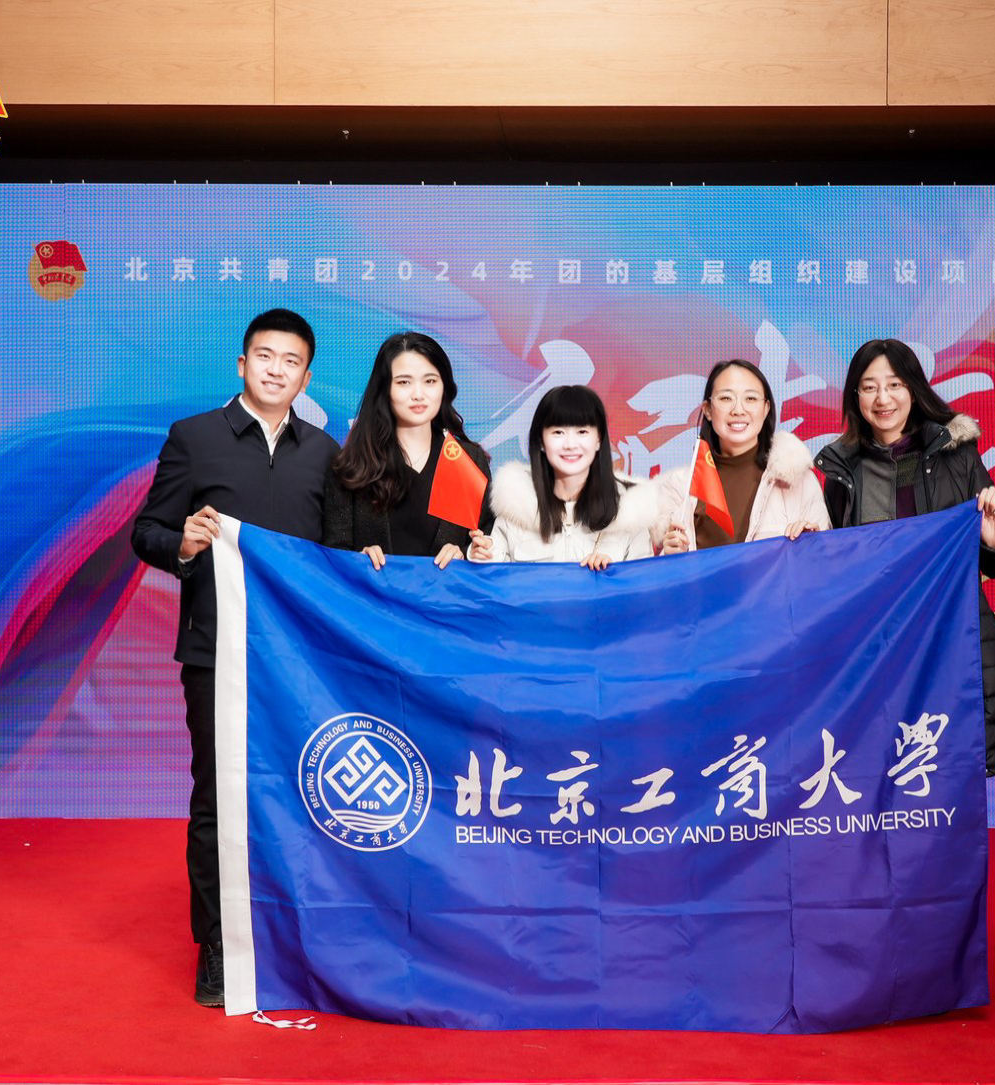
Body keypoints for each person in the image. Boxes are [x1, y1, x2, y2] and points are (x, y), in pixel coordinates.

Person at [130, 308, 338, 1006]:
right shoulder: (195, 437)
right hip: (216, 648)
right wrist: (182, 543)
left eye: (291, 361)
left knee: (301, 794)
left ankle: (293, 937)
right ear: (242, 364)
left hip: (300, 659)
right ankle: (219, 944)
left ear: (306, 377)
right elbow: (147, 532)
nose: (277, 369)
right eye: (265, 356)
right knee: (219, 798)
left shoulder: (325, 453)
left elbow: (335, 556)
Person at [814, 338, 995, 776]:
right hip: (879, 650)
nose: (882, 399)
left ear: (913, 389)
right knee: (883, 777)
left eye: (894, 384)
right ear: (855, 396)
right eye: (869, 387)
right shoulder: (843, 473)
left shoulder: (955, 455)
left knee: (953, 776)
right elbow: (836, 573)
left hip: (951, 642)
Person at [323, 331, 491, 566]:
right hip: (372, 590)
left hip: (446, 591)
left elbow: (488, 541)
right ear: (384, 389)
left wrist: (466, 553)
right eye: (404, 382)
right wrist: (357, 560)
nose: (418, 394)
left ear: (444, 387)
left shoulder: (468, 461)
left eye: (430, 381)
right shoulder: (351, 465)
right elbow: (333, 554)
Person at [468, 385, 658, 568]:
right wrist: (483, 555)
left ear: (599, 440)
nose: (570, 444)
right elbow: (494, 579)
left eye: (582, 432)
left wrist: (613, 575)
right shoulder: (516, 505)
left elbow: (643, 582)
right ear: (541, 441)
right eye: (558, 432)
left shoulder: (631, 509)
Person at [657, 359, 829, 553]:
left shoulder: (798, 479)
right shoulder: (681, 487)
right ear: (707, 410)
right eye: (726, 398)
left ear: (766, 408)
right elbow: (661, 568)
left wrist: (812, 543)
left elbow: (824, 560)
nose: (738, 410)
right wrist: (670, 557)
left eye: (751, 399)